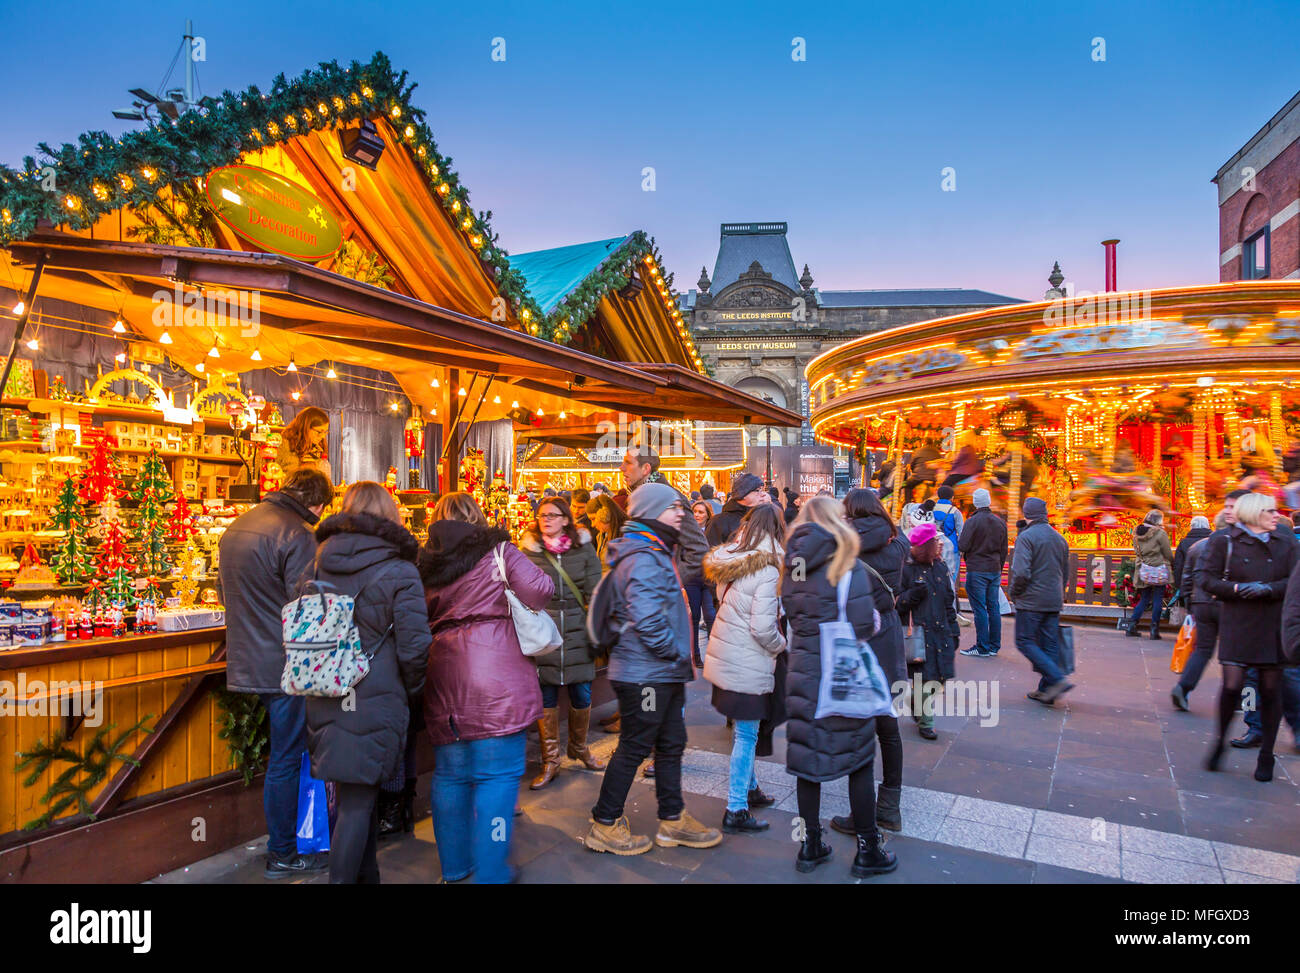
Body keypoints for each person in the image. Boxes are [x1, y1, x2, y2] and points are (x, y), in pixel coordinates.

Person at [420, 492, 555, 883]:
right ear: (477, 517)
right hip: (497, 671)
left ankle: (456, 869)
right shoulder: (500, 550)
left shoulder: (423, 562)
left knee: (450, 774)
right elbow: (540, 589)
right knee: (496, 777)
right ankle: (492, 871)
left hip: (443, 669)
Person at [584, 484, 722, 855]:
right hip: (646, 674)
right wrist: (675, 650)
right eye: (673, 508)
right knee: (634, 746)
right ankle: (605, 822)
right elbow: (647, 620)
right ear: (651, 512)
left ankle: (673, 819)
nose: (681, 513)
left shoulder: (656, 549)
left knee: (671, 743)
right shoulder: (643, 556)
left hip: (661, 672)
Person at [305, 482, 430, 883]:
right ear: (390, 516)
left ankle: (367, 877)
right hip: (374, 691)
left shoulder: (320, 562)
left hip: (327, 687)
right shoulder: (401, 570)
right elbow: (414, 646)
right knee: (358, 805)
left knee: (355, 797)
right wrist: (412, 690)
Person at [218, 468, 334, 880]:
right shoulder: (297, 534)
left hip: (248, 659)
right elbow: (306, 607)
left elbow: (224, 595)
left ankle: (285, 845)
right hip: (286, 665)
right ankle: (283, 852)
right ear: (317, 504)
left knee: (280, 759)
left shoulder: (237, 527)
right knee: (286, 759)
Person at [783, 495, 896, 878]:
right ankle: (868, 848)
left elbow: (791, 613)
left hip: (802, 671)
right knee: (860, 760)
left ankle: (810, 845)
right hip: (841, 674)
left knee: (807, 763)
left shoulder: (794, 563)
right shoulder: (848, 564)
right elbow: (864, 625)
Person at [1199, 492, 1298, 782]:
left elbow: (1294, 580)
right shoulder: (1223, 540)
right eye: (1270, 511)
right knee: (1233, 685)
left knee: (1270, 688)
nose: (1277, 515)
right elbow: (1207, 579)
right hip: (1238, 621)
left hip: (1273, 622)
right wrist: (1239, 589)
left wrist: (1269, 589)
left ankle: (1266, 753)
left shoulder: (1286, 541)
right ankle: (1219, 741)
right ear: (1255, 513)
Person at [702, 504, 786, 835]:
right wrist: (782, 644)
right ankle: (736, 807)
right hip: (747, 660)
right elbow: (762, 628)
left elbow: (727, 600)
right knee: (747, 735)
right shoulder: (767, 568)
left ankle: (749, 789)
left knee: (743, 731)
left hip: (727, 653)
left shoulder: (733, 559)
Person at [829, 488, 908, 836]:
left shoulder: (845, 548)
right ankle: (889, 806)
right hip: (889, 633)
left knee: (859, 728)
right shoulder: (898, 545)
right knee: (888, 727)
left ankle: (861, 813)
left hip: (860, 636)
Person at [519, 497, 605, 789]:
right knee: (547, 697)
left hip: (579, 630)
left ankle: (579, 748)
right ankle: (551, 759)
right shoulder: (529, 552)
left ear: (566, 519)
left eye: (553, 515)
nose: (546, 519)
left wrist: (596, 625)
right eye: (542, 515)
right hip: (544, 632)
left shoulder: (584, 550)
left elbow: (595, 590)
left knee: (582, 693)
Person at [897, 522, 961, 741]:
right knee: (924, 679)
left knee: (940, 678)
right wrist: (912, 594)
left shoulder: (941, 567)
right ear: (927, 545)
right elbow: (896, 604)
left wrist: (954, 630)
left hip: (941, 631)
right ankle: (927, 721)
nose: (940, 544)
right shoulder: (906, 569)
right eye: (936, 540)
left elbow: (948, 602)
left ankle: (915, 702)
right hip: (919, 634)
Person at [1009, 496, 1073, 704]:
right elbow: (1065, 571)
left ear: (1026, 513)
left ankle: (1056, 679)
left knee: (1024, 640)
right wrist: (1060, 592)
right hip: (1053, 597)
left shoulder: (1026, 538)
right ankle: (1046, 689)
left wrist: (1014, 592)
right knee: (1049, 643)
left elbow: (1020, 572)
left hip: (1031, 599)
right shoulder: (1059, 538)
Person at [620, 447, 707, 585]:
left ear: (645, 469)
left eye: (628, 462)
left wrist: (668, 582)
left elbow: (698, 549)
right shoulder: (640, 497)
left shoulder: (671, 499)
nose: (621, 468)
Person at [1171, 512, 1226, 713]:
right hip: (1226, 603)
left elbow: (1185, 575)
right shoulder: (1233, 545)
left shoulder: (1196, 546)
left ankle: (1183, 686)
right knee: (1235, 655)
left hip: (1200, 603)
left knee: (1203, 648)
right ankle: (1245, 702)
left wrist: (1188, 601)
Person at [958, 488, 1009, 658]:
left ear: (975, 502)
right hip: (994, 569)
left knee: (979, 608)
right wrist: (998, 567)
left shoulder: (972, 522)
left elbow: (963, 546)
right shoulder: (1000, 522)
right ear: (988, 501)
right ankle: (994, 645)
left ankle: (982, 646)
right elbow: (1003, 550)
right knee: (993, 607)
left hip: (977, 568)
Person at [1128, 509, 1174, 640]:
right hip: (1158, 569)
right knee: (1158, 598)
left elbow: (1137, 551)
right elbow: (1167, 552)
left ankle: (1132, 625)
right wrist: (1172, 562)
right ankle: (1154, 629)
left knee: (1144, 598)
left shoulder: (1136, 533)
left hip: (1144, 569)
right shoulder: (1160, 533)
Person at [685, 500, 718, 668]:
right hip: (692, 579)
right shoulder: (687, 532)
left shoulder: (712, 531)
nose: (697, 514)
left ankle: (714, 656)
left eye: (701, 512)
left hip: (708, 579)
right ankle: (696, 656)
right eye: (695, 511)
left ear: (707, 515)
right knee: (695, 618)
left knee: (711, 616)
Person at [707, 472, 768, 547]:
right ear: (743, 494)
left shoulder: (763, 518)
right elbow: (709, 554)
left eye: (762, 490)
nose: (763, 494)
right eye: (758, 490)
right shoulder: (719, 522)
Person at [277, 406, 332, 480]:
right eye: (319, 432)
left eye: (325, 432)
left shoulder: (319, 450)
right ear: (305, 427)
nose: (322, 436)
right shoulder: (283, 445)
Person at [1172, 514, 1213, 608]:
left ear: (1191, 526)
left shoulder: (1184, 543)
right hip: (1210, 585)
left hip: (1190, 587)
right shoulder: (1214, 541)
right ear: (1207, 526)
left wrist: (1179, 586)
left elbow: (1178, 566)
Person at [586, 492, 627, 574]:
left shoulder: (624, 536)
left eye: (593, 519)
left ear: (605, 514)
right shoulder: (601, 535)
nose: (593, 525)